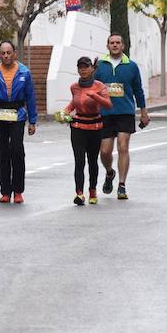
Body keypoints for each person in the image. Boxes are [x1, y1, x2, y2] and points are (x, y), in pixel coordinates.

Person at [94, 33, 149, 200]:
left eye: (118, 42)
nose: (115, 45)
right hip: (105, 113)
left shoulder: (131, 66)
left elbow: (138, 90)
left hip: (125, 112)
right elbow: (92, 88)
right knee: (104, 151)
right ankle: (110, 173)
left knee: (123, 147)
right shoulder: (99, 66)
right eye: (112, 43)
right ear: (107, 46)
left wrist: (143, 111)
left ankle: (122, 185)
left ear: (123, 46)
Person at [0, 41, 37, 204]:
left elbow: (30, 97)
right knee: (3, 152)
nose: (6, 56)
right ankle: (5, 191)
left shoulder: (24, 72)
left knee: (17, 151)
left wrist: (32, 120)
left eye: (8, 52)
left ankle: (18, 191)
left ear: (14, 53)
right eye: (3, 53)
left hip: (18, 115)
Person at [63, 56, 112, 206]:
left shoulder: (100, 86)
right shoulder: (74, 87)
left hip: (95, 127)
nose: (83, 70)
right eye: (80, 67)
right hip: (78, 126)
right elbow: (74, 103)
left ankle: (92, 190)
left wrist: (95, 96)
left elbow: (108, 104)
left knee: (92, 161)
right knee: (79, 161)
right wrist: (65, 112)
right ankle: (79, 193)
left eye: (86, 67)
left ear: (92, 69)